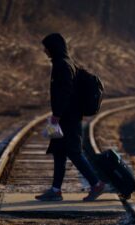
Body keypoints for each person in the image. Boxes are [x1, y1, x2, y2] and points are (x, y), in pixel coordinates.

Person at [35, 33, 105, 202]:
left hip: (68, 118)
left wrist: (57, 115)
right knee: (59, 152)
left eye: (46, 47)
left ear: (53, 47)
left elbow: (65, 93)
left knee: (74, 152)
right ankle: (56, 190)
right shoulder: (67, 63)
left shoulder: (62, 65)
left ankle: (96, 184)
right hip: (67, 116)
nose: (44, 50)